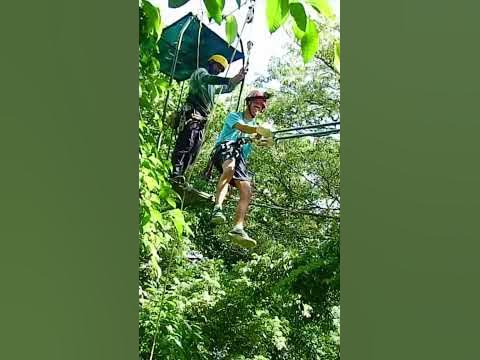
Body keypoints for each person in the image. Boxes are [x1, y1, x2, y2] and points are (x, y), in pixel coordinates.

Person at [210, 90, 273, 248]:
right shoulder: (234, 116)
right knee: (229, 168)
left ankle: (238, 228)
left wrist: (267, 140)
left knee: (247, 189)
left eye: (261, 107)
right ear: (249, 103)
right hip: (225, 149)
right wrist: (257, 130)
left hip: (239, 158)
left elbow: (258, 138)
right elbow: (242, 128)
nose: (258, 109)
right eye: (256, 105)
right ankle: (217, 208)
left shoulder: (254, 126)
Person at [170, 54, 247, 183]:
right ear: (211, 63)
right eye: (218, 67)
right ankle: (175, 172)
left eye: (221, 70)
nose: (218, 71)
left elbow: (226, 88)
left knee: (194, 149)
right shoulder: (201, 73)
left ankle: (181, 175)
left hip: (201, 120)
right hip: (193, 114)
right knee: (186, 144)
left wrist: (238, 79)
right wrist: (228, 79)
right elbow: (208, 79)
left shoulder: (211, 86)